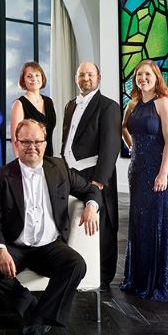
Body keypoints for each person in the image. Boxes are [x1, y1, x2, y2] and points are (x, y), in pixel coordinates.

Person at [0, 119, 100, 335]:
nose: (32, 146)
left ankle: (33, 324)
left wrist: (91, 205)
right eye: (25, 141)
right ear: (16, 144)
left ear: (45, 144)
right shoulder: (0, 177)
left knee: (76, 264)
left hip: (49, 246)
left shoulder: (60, 169)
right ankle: (34, 310)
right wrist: (0, 249)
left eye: (37, 141)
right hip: (16, 246)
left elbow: (91, 188)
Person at [120, 60, 168, 302]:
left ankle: (162, 282)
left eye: (147, 74)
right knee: (141, 223)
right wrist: (132, 148)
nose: (143, 78)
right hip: (138, 170)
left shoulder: (163, 104)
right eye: (139, 75)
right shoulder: (132, 104)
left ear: (156, 77)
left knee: (161, 223)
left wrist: (162, 173)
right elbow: (124, 129)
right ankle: (139, 280)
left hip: (161, 170)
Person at [61, 62, 121, 291]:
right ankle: (75, 269)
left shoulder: (109, 106)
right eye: (81, 74)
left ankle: (103, 277)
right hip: (71, 173)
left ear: (99, 77)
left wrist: (99, 180)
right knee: (73, 218)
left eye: (90, 74)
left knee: (102, 224)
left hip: (95, 172)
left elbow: (111, 146)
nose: (86, 78)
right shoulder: (69, 106)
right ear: (76, 78)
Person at [9, 61, 56, 157]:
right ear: (23, 81)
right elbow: (15, 139)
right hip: (29, 157)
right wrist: (19, 164)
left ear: (42, 78)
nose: (34, 79)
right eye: (29, 76)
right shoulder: (19, 104)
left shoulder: (49, 102)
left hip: (48, 156)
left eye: (37, 75)